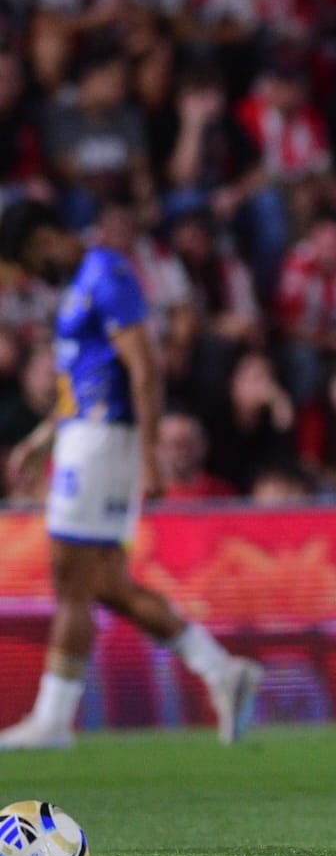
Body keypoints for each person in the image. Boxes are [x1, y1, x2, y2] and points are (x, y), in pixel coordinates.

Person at [0, 201, 261, 751]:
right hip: (82, 435)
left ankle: (52, 720)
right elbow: (83, 381)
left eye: (28, 258)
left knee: (71, 574)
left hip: (103, 441)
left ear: (46, 236)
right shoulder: (79, 285)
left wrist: (148, 454)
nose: (30, 273)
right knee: (105, 584)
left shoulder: (107, 274)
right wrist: (41, 439)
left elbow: (144, 368)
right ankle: (221, 671)